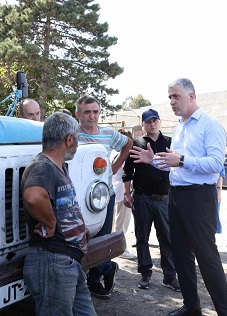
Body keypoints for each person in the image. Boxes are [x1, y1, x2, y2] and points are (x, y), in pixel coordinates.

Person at [130, 78, 227, 316]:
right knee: (181, 254)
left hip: (199, 198)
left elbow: (216, 164)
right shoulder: (180, 126)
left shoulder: (210, 125)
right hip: (175, 197)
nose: (172, 102)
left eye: (176, 96)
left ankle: (224, 312)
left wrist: (182, 160)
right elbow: (174, 166)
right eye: (170, 97)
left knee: (207, 257)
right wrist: (153, 160)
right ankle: (191, 306)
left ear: (191, 96)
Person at [21, 112, 96, 316]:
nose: (78, 144)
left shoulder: (59, 166)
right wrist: (50, 222)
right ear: (69, 139)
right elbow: (34, 197)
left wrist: (80, 229)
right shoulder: (42, 166)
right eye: (77, 139)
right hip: (53, 263)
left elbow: (63, 206)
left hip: (67, 263)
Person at [75, 94, 133, 299]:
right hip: (78, 198)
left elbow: (128, 143)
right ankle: (105, 269)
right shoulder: (72, 134)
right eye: (87, 112)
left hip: (103, 196)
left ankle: (96, 279)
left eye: (95, 112)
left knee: (102, 238)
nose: (92, 116)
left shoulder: (108, 134)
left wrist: (115, 166)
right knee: (79, 238)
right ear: (78, 114)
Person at [122, 109, 180, 292]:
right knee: (142, 237)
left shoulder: (170, 143)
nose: (152, 124)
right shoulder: (137, 144)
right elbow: (127, 172)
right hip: (142, 199)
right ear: (144, 124)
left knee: (167, 238)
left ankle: (170, 276)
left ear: (160, 122)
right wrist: (126, 194)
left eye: (155, 120)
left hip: (164, 199)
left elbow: (178, 170)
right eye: (148, 122)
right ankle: (145, 273)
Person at [112, 128, 135, 260]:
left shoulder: (114, 152)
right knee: (122, 221)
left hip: (115, 189)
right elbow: (127, 173)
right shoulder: (124, 154)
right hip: (122, 190)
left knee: (117, 219)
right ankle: (120, 248)